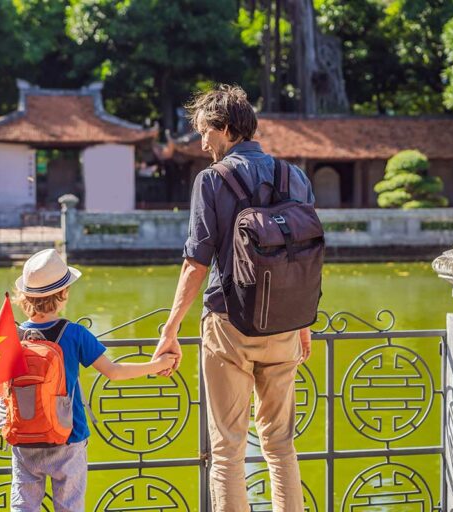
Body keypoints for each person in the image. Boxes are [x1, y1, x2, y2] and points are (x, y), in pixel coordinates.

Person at [152, 85, 315, 511]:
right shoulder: (294, 176)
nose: (201, 142)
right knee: (280, 444)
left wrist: (170, 330)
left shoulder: (212, 180)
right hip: (284, 324)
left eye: (205, 131)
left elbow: (196, 263)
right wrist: (304, 322)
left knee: (227, 448)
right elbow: (304, 254)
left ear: (225, 129)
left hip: (229, 325)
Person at [4, 248, 177, 511]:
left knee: (23, 505)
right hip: (68, 436)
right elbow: (113, 372)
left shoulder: (11, 336)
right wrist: (156, 365)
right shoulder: (74, 334)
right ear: (63, 295)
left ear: (25, 298)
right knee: (69, 505)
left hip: (23, 437)